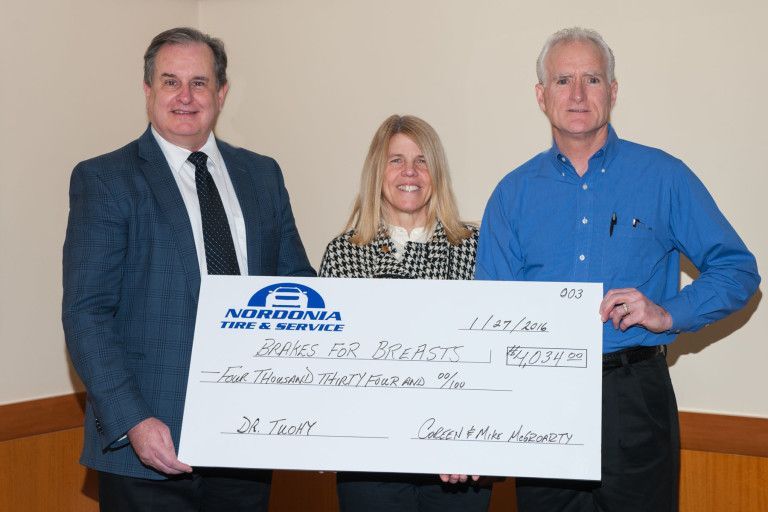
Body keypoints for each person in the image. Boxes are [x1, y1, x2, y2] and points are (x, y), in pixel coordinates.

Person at [476, 27, 760, 512]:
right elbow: (487, 319)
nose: (579, 94)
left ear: (613, 90)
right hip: (543, 401)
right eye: (564, 80)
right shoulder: (512, 195)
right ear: (542, 96)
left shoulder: (664, 177)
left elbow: (738, 270)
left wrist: (668, 313)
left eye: (593, 78)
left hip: (635, 398)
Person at [62, 27, 314, 511]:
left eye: (199, 83)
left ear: (221, 94)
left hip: (247, 441)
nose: (185, 96)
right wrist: (134, 421)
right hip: (148, 449)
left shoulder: (263, 175)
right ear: (147, 90)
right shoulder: (105, 179)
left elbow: (297, 290)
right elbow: (85, 313)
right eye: (170, 81)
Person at [319, 114, 491, 512]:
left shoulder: (477, 247)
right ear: (377, 172)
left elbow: (490, 356)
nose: (409, 172)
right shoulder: (343, 252)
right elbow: (330, 365)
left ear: (437, 172)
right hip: (370, 461)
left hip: (459, 463)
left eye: (422, 160)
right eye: (396, 160)